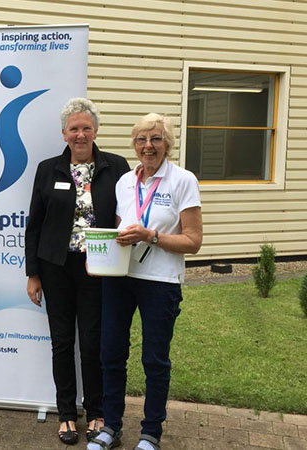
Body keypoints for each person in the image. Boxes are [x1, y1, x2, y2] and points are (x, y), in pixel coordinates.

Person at [87, 113, 202, 450]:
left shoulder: (183, 180)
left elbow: (193, 241)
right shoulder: (125, 182)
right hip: (121, 278)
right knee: (111, 354)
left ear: (167, 144)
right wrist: (101, 257)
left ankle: (151, 432)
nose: (148, 146)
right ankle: (111, 426)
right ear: (134, 144)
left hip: (161, 282)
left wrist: (152, 235)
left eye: (155, 139)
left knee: (154, 359)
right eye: (141, 139)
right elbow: (123, 234)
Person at [25, 98, 130, 445]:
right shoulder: (48, 169)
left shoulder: (116, 167)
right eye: (74, 128)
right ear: (64, 133)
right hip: (56, 267)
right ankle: (67, 414)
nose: (80, 134)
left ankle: (97, 411)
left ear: (96, 130)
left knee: (93, 342)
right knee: (61, 342)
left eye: (86, 127)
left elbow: (128, 215)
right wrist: (33, 273)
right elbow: (34, 225)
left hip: (99, 268)